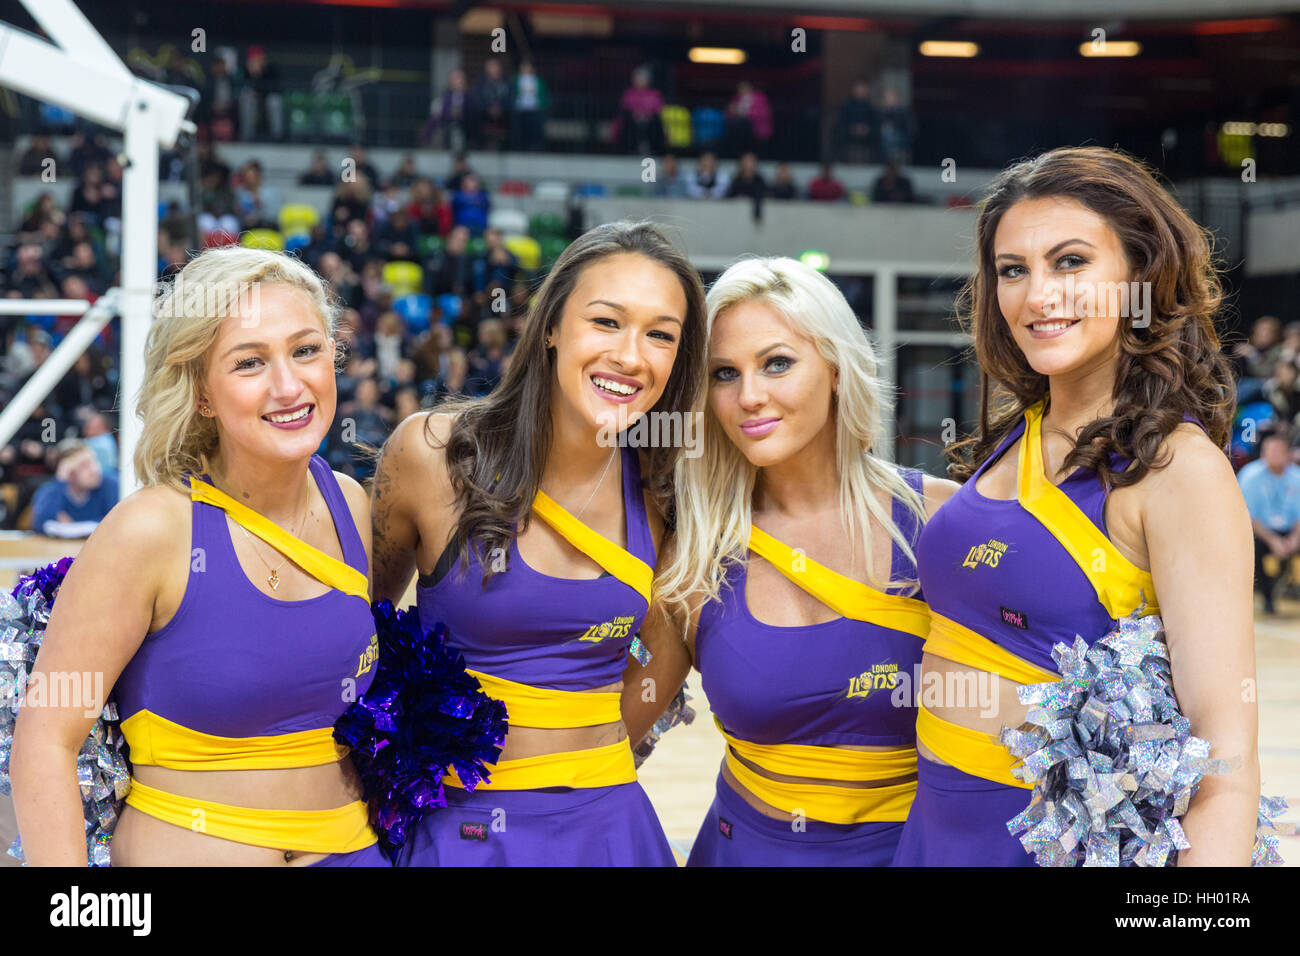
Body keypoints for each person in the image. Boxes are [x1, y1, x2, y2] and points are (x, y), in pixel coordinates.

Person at [891, 146, 1259, 866]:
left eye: (1070, 262)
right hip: (930, 838)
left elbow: (1227, 766)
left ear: (1139, 275)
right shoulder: (1017, 434)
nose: (1038, 295)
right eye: (1012, 270)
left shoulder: (1180, 470)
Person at [11, 247, 385, 866]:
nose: (289, 385)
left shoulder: (350, 506)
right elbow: (45, 741)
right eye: (249, 363)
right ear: (202, 395)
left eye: (306, 350)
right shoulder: (151, 530)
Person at [369, 221, 708, 865]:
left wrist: (582, 756)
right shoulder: (433, 455)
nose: (631, 356)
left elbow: (659, 653)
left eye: (660, 335)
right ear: (551, 326)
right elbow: (357, 633)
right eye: (606, 322)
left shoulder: (667, 491)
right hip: (458, 836)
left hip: (608, 832)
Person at [627, 258, 952, 865]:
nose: (750, 396)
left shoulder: (941, 520)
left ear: (834, 368)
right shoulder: (693, 553)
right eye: (725, 373)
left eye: (777, 363)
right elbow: (611, 732)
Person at [1238, 429, 1300, 614]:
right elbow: (1249, 517)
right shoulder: (1250, 476)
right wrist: (1273, 540)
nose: (1276, 455)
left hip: (1290, 531)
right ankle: (1267, 598)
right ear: (1263, 454)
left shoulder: (1296, 476)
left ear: (1287, 454)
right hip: (1261, 532)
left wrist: (1294, 539)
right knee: (1251, 547)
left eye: (1280, 451)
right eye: (1271, 451)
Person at [30, 439, 118, 535]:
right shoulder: (51, 490)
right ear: (68, 472)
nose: (95, 469)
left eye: (94, 461)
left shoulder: (109, 484)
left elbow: (115, 523)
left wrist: (74, 524)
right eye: (85, 466)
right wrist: (61, 479)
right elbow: (40, 525)